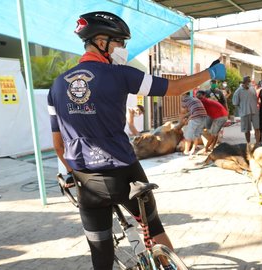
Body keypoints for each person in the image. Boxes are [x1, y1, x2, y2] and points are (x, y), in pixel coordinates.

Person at [48, 11, 225, 270]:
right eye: (120, 42)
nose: (123, 49)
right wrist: (210, 72)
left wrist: (75, 173)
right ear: (101, 41)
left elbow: (58, 145)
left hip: (87, 180)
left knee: (101, 254)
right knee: (153, 228)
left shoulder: (56, 86)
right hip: (124, 171)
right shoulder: (121, 75)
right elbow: (175, 88)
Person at [232, 76, 261, 143]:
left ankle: (257, 143)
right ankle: (248, 144)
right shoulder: (238, 91)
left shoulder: (252, 88)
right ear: (244, 82)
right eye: (248, 82)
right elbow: (235, 103)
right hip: (245, 112)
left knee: (257, 128)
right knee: (247, 130)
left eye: (249, 82)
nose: (249, 83)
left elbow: (256, 99)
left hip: (254, 112)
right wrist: (243, 106)